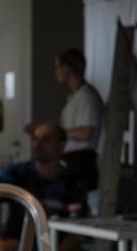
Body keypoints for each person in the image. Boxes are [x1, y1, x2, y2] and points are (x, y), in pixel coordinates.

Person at [0, 122, 92, 251]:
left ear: (62, 145)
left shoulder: (73, 181)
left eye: (46, 139)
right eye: (35, 139)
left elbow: (82, 225)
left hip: (59, 249)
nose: (38, 144)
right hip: (17, 245)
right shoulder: (15, 174)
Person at [28, 48, 102, 191]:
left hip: (81, 161)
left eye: (58, 67)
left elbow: (86, 132)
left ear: (67, 69)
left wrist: (55, 133)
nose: (56, 72)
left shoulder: (86, 97)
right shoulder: (75, 97)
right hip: (72, 159)